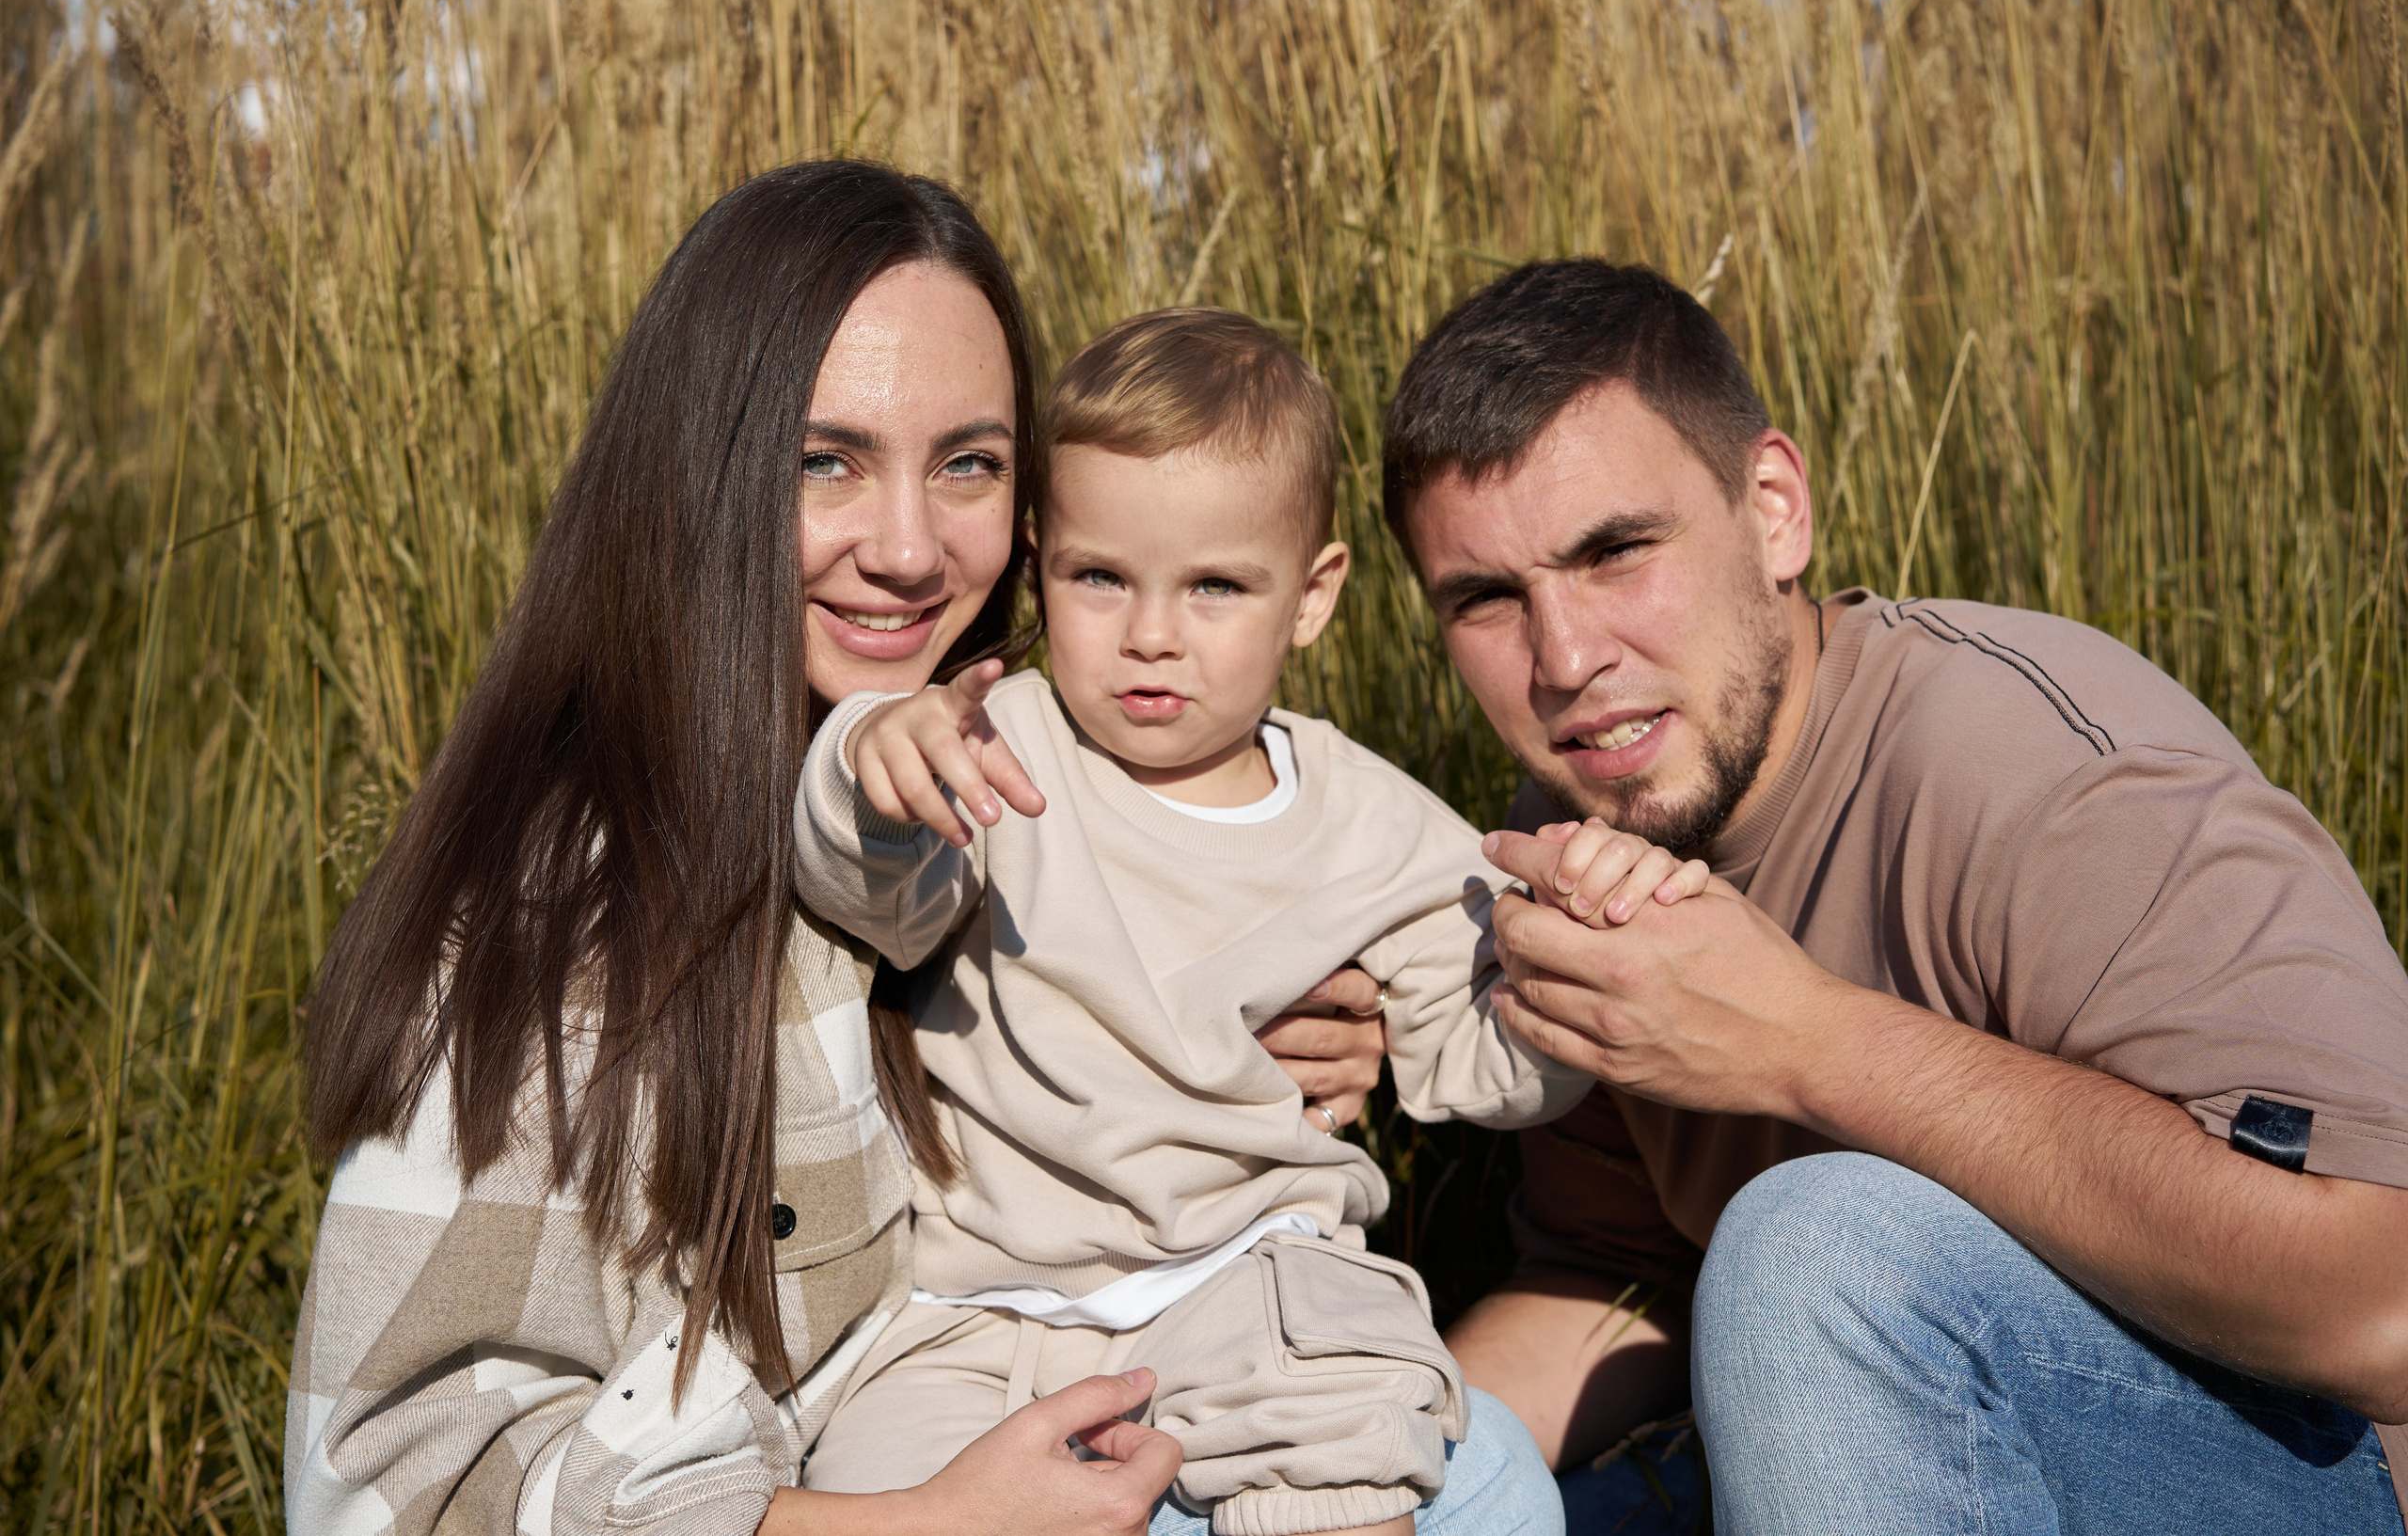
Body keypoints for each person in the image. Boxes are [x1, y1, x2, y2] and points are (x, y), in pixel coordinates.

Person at [282, 163, 1536, 1536]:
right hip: (920, 1482)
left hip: (1122, 1381)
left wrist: (1288, 1018)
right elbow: (387, 1487)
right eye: (825, 460)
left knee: (1489, 1474)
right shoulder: (567, 907)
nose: (905, 548)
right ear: (696, 472)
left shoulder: (1023, 753)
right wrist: (925, 1523)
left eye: (968, 466)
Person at [1370, 259, 2408, 1530]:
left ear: (1773, 511)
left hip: (2303, 1471)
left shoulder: (2036, 775)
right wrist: (1342, 1449)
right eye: (1486, 600)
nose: (1569, 659)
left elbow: (2382, 1308)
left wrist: (1810, 1045)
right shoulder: (1566, 843)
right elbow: (1619, 1283)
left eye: (1618, 552)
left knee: (1815, 1249)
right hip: (1874, 1442)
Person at [791, 309, 1693, 1535]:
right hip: (971, 1303)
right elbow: (869, 893)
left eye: (1216, 585)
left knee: (1350, 1420)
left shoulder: (1379, 825)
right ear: (1045, 562)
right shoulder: (1000, 748)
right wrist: (874, 758)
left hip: (1250, 1268)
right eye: (1101, 578)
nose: (1152, 634)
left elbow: (1475, 1065)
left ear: (1312, 596)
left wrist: (1571, 965)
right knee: (877, 1483)